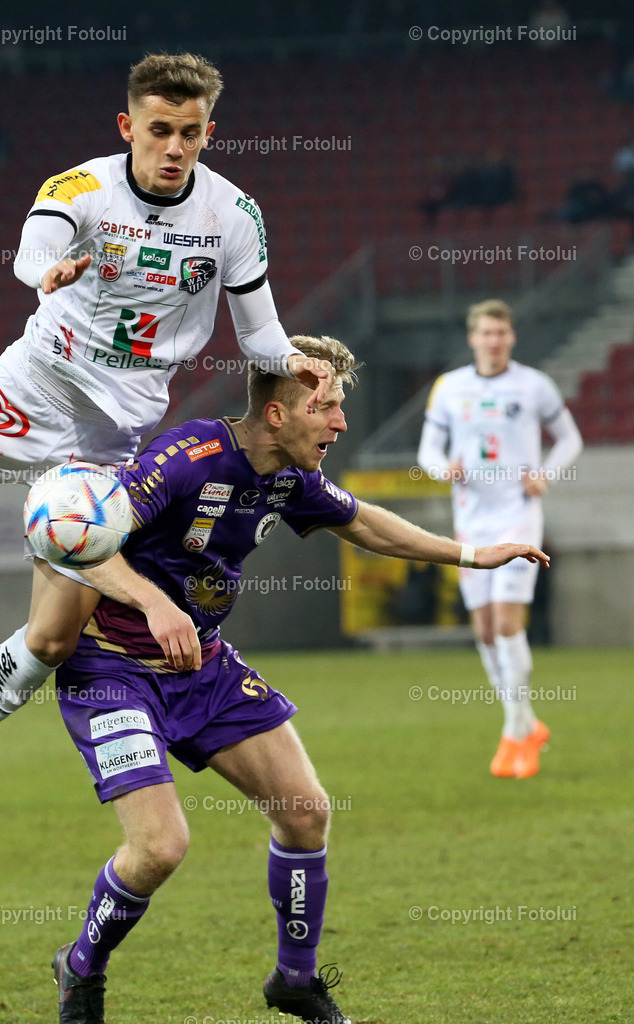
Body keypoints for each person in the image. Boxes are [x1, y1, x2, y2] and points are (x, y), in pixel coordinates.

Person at [0, 53, 333, 844]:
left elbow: (258, 334)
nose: (174, 148)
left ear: (207, 133)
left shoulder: (234, 215)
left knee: (55, 640)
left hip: (105, 445)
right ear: (128, 127)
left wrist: (286, 361)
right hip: (24, 396)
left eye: (190, 134)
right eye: (159, 131)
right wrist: (47, 272)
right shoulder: (80, 188)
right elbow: (33, 250)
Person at [40, 334, 548, 1024]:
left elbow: (366, 524)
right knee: (160, 847)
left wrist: (471, 554)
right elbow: (77, 540)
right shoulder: (186, 459)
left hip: (204, 666)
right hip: (113, 672)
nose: (340, 422)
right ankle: (80, 968)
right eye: (328, 406)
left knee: (306, 814)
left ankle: (295, 980)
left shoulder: (288, 478)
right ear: (278, 414)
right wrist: (155, 602)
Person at [417, 299, 582, 779]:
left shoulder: (533, 385)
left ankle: (514, 732)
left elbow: (570, 438)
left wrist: (545, 475)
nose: (494, 341)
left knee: (509, 624)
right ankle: (527, 723)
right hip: (471, 520)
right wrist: (441, 468)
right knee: (484, 630)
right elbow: (429, 448)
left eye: (502, 334)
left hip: (517, 517)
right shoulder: (450, 388)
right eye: (486, 333)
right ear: (473, 338)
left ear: (511, 338)